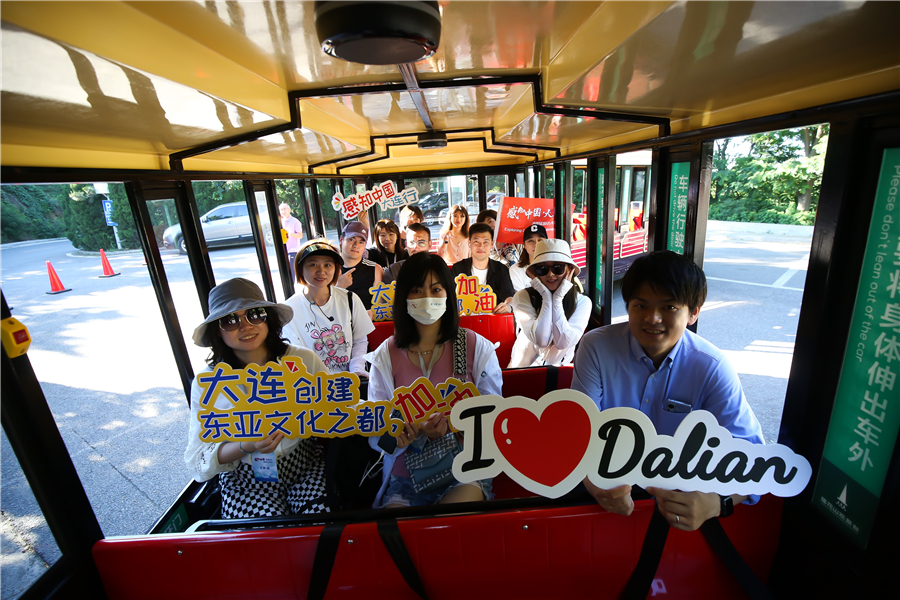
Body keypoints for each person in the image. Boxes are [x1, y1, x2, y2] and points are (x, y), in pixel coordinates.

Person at [571, 251, 765, 531]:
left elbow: (754, 459)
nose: (652, 318)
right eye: (640, 305)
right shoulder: (596, 347)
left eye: (670, 307)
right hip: (605, 493)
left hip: (677, 507)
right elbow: (579, 429)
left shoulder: (711, 367)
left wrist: (716, 503)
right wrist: (592, 481)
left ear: (694, 312)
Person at [185, 278, 331, 518]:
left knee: (319, 520)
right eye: (230, 320)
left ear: (267, 318)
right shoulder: (208, 381)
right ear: (217, 332)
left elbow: (337, 406)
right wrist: (248, 445)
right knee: (266, 532)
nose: (245, 326)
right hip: (244, 479)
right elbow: (200, 455)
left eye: (254, 314)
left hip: (305, 465)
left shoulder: (303, 360)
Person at [366, 252, 503, 508]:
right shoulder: (386, 355)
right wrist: (401, 435)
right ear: (403, 296)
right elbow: (377, 434)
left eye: (436, 289)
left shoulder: (474, 347)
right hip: (406, 476)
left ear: (448, 294)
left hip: (464, 469)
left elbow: (494, 416)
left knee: (449, 521)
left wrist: (456, 424)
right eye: (417, 290)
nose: (427, 298)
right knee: (398, 528)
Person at [282, 240, 375, 378]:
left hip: (350, 381)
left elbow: (360, 340)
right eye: (313, 264)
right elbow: (295, 354)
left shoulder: (350, 299)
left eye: (327, 265)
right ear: (300, 269)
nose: (321, 271)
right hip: (313, 383)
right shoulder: (289, 310)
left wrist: (357, 369)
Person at [508, 239, 590, 368]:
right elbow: (541, 340)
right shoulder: (523, 297)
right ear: (535, 273)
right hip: (521, 371)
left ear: (570, 270)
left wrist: (557, 299)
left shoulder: (582, 302)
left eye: (558, 268)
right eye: (543, 269)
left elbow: (563, 342)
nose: (551, 274)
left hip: (559, 375)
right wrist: (546, 297)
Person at [450, 223, 515, 314]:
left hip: (493, 319)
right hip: (464, 319)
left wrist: (508, 306)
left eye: (486, 242)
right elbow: (449, 296)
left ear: (492, 244)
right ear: (469, 243)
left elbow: (509, 295)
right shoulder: (457, 269)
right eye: (476, 241)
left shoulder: (501, 269)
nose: (481, 246)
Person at [336, 221, 382, 310]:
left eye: (361, 242)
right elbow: (321, 305)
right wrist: (338, 288)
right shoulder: (330, 268)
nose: (356, 245)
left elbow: (380, 304)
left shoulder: (374, 269)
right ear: (341, 240)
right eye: (351, 239)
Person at [509, 224, 547, 293]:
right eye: (531, 241)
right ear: (524, 245)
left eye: (540, 240)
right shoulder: (515, 270)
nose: (536, 244)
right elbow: (521, 298)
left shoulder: (555, 267)